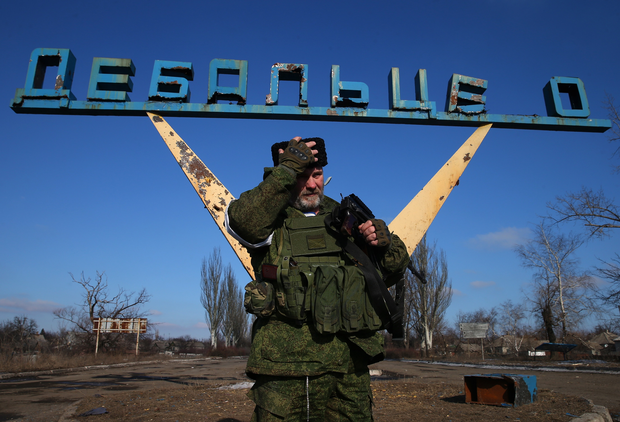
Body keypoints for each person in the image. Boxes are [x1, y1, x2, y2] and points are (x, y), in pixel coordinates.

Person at [225, 137, 409, 421]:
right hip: (286, 368)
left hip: (349, 364)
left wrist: (383, 245)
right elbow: (243, 222)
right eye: (301, 175)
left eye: (317, 174)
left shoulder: (344, 214)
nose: (312, 185)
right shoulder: (270, 215)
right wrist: (285, 171)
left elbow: (390, 274)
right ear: (284, 174)